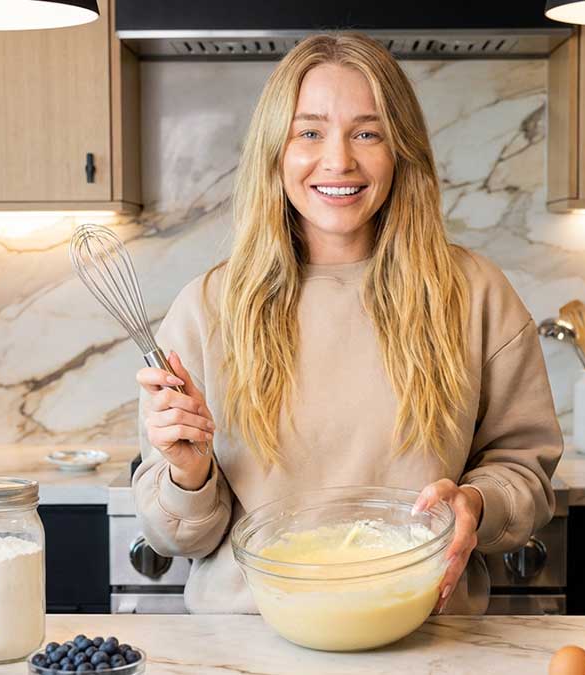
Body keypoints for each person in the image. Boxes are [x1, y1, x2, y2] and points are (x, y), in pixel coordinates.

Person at [133, 32, 562, 615]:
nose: (339, 160)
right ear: (274, 152)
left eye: (367, 132)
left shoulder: (476, 295)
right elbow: (180, 537)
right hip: (252, 642)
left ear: (400, 150)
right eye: (309, 132)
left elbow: (525, 476)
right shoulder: (207, 308)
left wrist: (477, 503)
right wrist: (187, 472)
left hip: (425, 635)